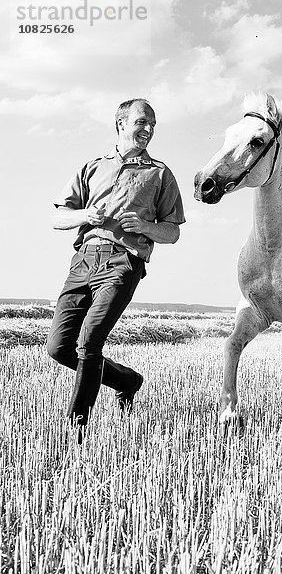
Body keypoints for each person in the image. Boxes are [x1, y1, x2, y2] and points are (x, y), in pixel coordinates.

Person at [47, 98, 185, 440]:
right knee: (59, 348)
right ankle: (126, 380)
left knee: (90, 341)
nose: (149, 129)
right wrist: (83, 216)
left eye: (153, 124)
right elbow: (57, 217)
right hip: (83, 261)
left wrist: (144, 226)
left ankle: (75, 432)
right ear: (120, 124)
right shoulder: (92, 167)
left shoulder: (160, 174)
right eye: (142, 122)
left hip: (123, 262)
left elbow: (173, 231)